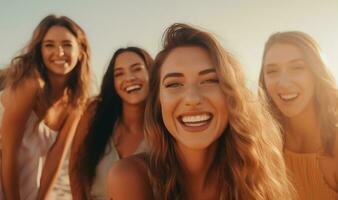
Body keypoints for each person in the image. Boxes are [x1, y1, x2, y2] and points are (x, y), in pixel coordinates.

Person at [108, 23, 294, 200]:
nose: (192, 98)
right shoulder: (131, 176)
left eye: (209, 80)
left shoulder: (258, 174)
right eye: (174, 84)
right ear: (158, 102)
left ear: (233, 95)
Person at [0, 15, 91, 199]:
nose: (59, 52)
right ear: (39, 50)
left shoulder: (76, 101)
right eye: (49, 45)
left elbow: (55, 161)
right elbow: (9, 152)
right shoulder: (30, 84)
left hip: (28, 179)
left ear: (80, 50)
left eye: (67, 44)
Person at [259, 31, 338, 200]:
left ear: (317, 74)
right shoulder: (260, 145)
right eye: (272, 71)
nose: (283, 82)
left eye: (297, 68)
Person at [69, 47, 153, 199]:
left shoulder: (166, 126)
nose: (129, 78)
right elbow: (75, 169)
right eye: (119, 73)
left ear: (151, 73)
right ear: (113, 83)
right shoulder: (95, 114)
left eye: (137, 69)